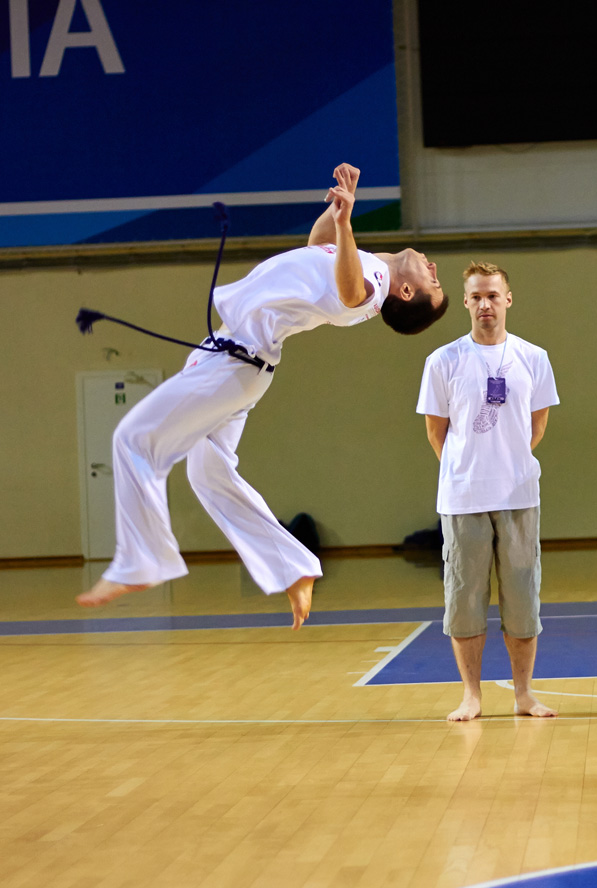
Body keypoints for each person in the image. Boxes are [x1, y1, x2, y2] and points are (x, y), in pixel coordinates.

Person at [76, 162, 448, 628]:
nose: (434, 268)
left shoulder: (371, 285)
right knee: (207, 472)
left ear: (406, 291)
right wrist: (338, 212)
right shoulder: (361, 261)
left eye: (433, 281)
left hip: (236, 361)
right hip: (236, 358)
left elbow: (350, 292)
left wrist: (347, 224)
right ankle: (294, 568)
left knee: (133, 439)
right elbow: (318, 248)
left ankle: (141, 562)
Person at [417, 261, 559, 720]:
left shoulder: (533, 358)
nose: (485, 304)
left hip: (520, 496)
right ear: (465, 302)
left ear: (508, 299)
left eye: (493, 295)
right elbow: (436, 432)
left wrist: (506, 462)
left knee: (522, 601)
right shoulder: (443, 361)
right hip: (463, 500)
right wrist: (468, 470)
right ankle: (471, 696)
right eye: (476, 296)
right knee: (464, 602)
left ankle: (524, 694)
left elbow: (537, 425)